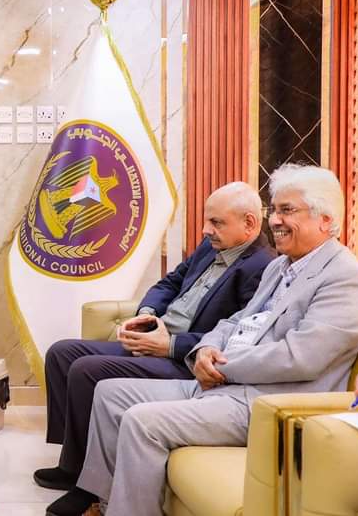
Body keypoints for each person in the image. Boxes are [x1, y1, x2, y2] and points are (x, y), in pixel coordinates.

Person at [47, 164, 358, 516]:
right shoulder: (281, 267)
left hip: (267, 402)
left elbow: (299, 357)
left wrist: (223, 365)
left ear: (325, 220)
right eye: (275, 210)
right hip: (222, 382)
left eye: (287, 210)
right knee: (110, 394)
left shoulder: (346, 278)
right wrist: (206, 348)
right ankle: (103, 501)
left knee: (141, 421)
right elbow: (237, 320)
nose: (275, 220)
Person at [36, 182, 274, 492]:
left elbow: (237, 337)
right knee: (61, 353)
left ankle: (80, 475)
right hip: (155, 337)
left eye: (216, 222)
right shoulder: (211, 246)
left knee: (86, 370)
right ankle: (74, 454)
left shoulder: (262, 268)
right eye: (206, 220)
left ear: (249, 224)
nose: (206, 229)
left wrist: (170, 346)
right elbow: (170, 283)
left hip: (184, 360)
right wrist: (147, 313)